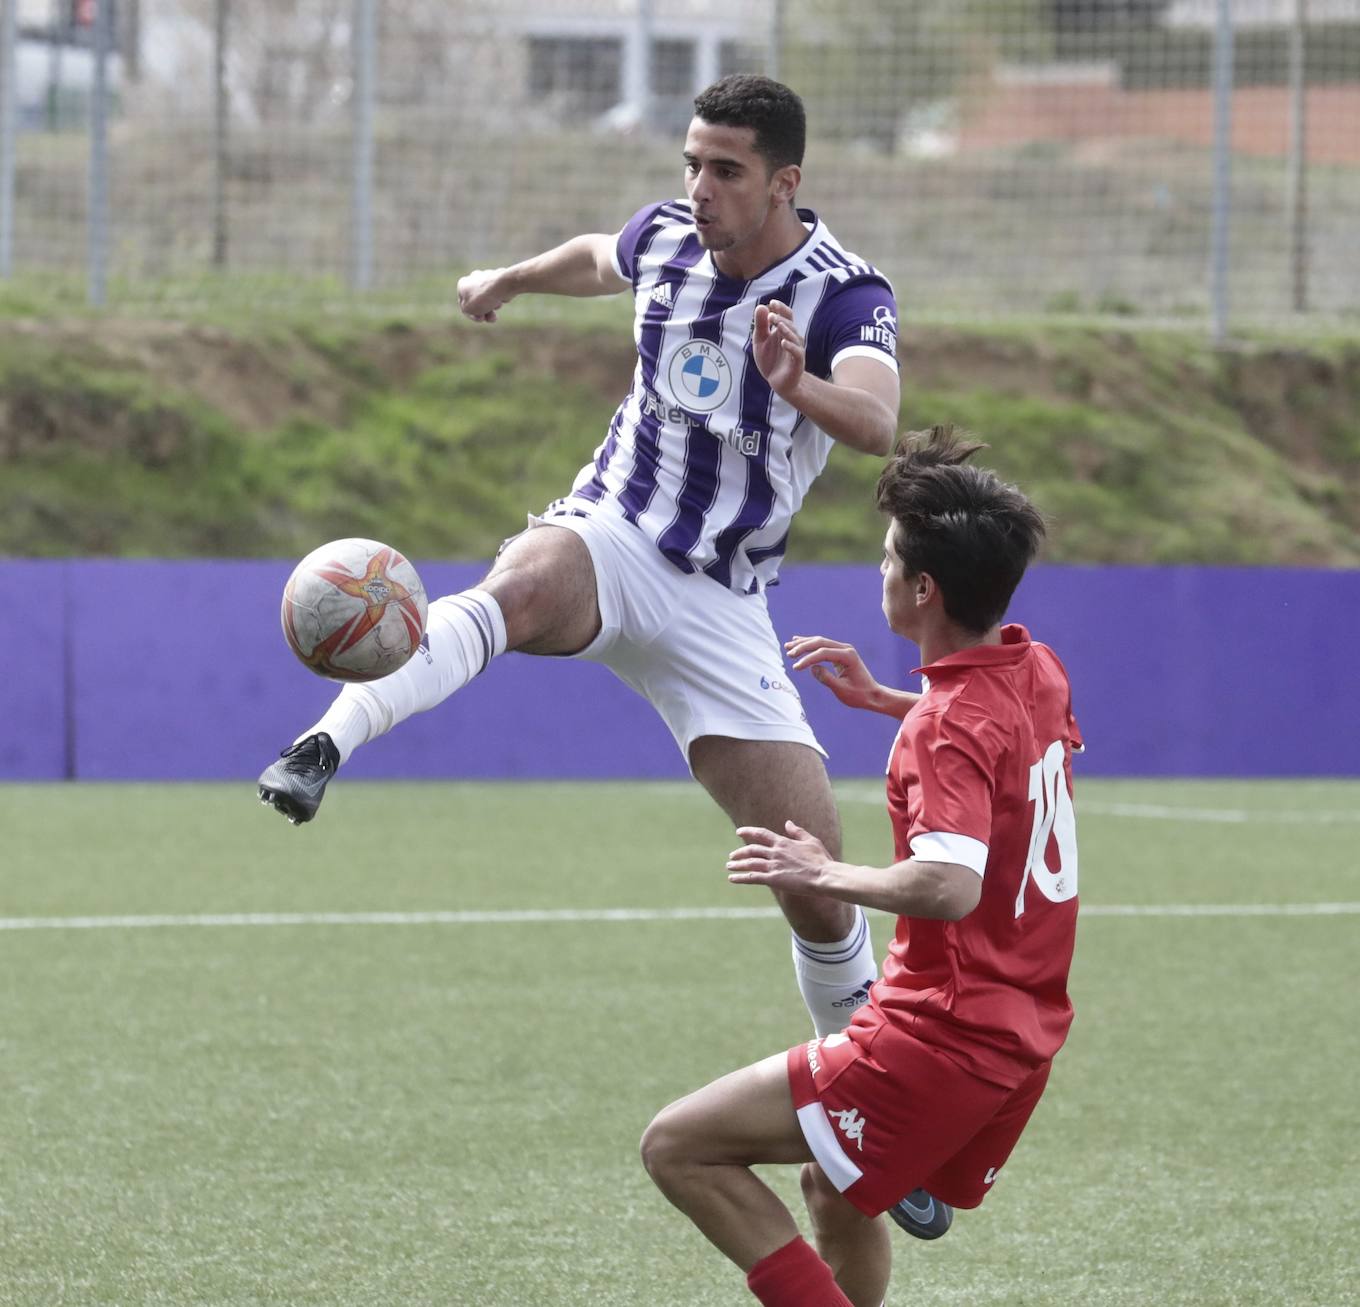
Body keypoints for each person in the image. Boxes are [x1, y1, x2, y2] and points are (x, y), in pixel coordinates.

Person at [256, 74, 901, 1042]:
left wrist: (796, 382)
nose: (700, 188)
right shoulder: (668, 239)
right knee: (517, 586)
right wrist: (510, 279)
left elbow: (879, 421)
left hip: (722, 601)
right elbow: (600, 257)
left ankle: (874, 1092)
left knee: (809, 869)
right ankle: (321, 745)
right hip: (613, 531)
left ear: (784, 182)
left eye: (726, 171)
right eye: (692, 164)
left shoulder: (844, 291)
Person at [640, 426, 1082, 1307]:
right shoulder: (1036, 667)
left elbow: (949, 885)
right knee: (834, 1190)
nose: (877, 571)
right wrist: (887, 698)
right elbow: (990, 738)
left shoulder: (945, 725)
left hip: (937, 1039)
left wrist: (821, 871)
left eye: (887, 558)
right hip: (1024, 1031)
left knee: (679, 1146)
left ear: (924, 588)